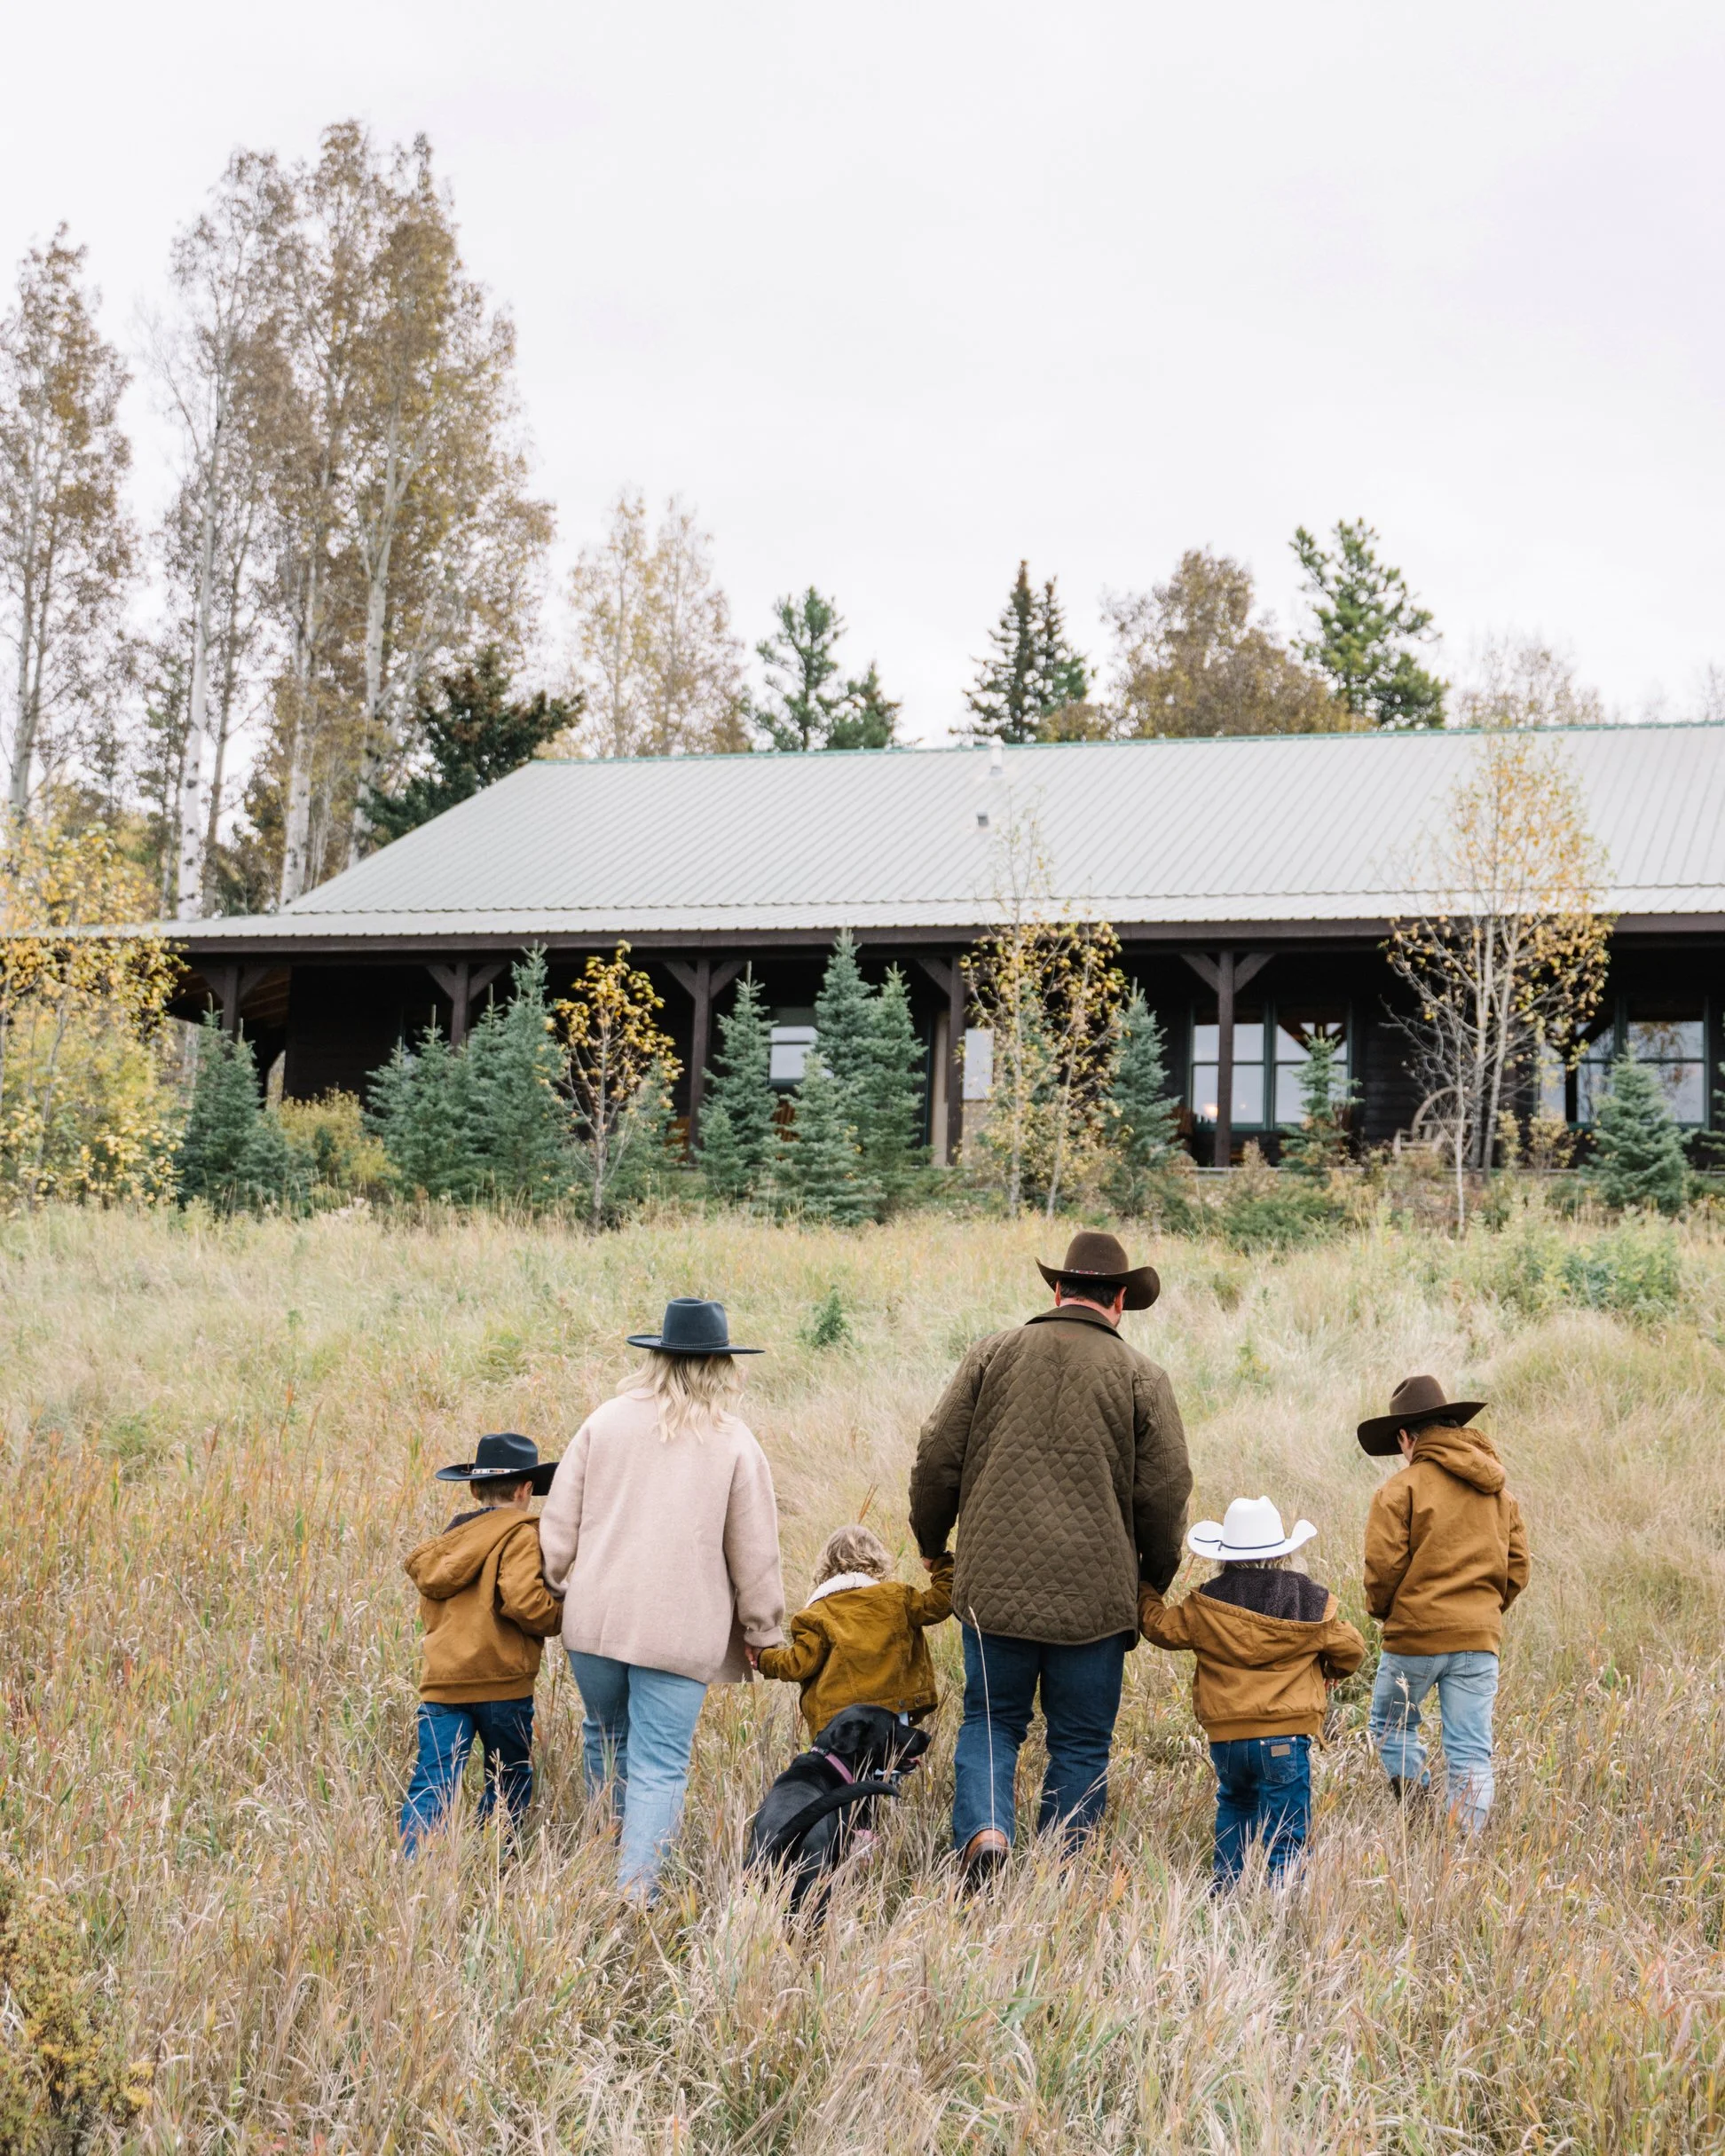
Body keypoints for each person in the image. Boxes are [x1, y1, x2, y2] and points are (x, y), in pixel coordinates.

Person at [909, 1229, 1192, 1883]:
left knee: (991, 1720)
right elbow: (1168, 1490)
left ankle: (985, 1831)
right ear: (1119, 1300)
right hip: (1096, 1599)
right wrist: (1152, 1578)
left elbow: (935, 1458)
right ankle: (1061, 1871)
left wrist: (930, 1541)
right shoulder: (1143, 1377)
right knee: (1081, 1741)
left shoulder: (991, 1355)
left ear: (1057, 1289)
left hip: (992, 1592)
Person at [540, 1297, 785, 1900]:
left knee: (604, 1737)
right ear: (720, 1366)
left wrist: (566, 1584)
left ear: (659, 1355)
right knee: (659, 1764)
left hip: (594, 1620)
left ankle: (604, 1865)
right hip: (680, 1632)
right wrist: (763, 1632)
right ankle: (635, 1894)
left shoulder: (605, 1421)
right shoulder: (732, 1441)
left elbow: (557, 1526)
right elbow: (756, 1552)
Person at [1139, 1496, 1366, 1888]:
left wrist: (1143, 1588)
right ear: (1282, 1554)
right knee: (1287, 1824)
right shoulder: (1308, 1600)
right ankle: (1283, 1902)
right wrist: (1330, 1669)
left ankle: (1225, 1891)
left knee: (1235, 1804)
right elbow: (1353, 1649)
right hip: (1284, 1736)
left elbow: (1160, 1628)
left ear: (1225, 1555)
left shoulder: (1204, 1604)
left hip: (1228, 1738)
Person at [1358, 1375, 1532, 1831]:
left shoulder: (1400, 1489)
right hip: (1480, 1640)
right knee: (1472, 1752)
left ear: (1404, 1437)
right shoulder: (1500, 1492)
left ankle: (1415, 1816)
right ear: (1453, 1426)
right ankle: (1460, 1850)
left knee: (1392, 1729)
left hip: (1413, 1640)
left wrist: (1387, 1613)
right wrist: (1482, 1613)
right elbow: (1517, 1569)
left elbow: (1382, 1573)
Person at [398, 1431, 564, 1854]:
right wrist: (561, 1615)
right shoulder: (522, 1534)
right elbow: (526, 1603)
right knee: (508, 1777)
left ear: (473, 1488)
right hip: (501, 1683)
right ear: (527, 1490)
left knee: (434, 1779)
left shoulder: (449, 1542)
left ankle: (415, 1870)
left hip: (443, 1684)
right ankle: (493, 1861)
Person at [759, 1523, 954, 1740]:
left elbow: (797, 1665)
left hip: (840, 1722)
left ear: (826, 1564)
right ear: (877, 1558)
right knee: (887, 1769)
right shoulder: (897, 1597)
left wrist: (764, 1658)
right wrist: (943, 1564)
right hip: (894, 1711)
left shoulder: (815, 1614)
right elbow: (940, 1603)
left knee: (847, 1773)